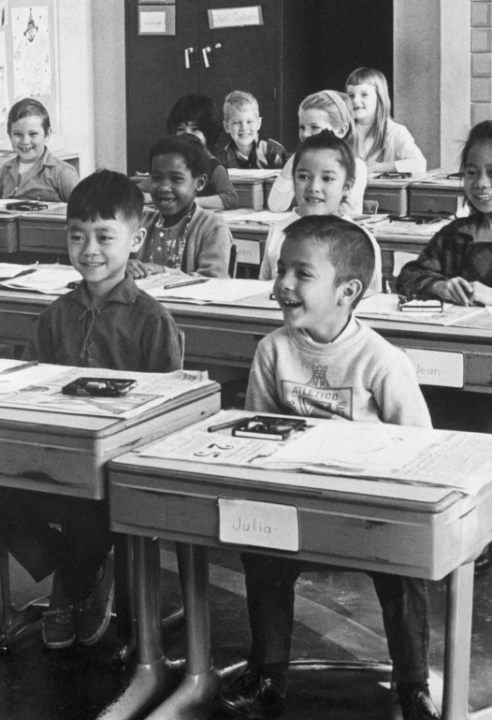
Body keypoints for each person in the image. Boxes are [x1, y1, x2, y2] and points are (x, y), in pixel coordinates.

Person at [215, 215, 437, 720]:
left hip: (367, 508)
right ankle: (268, 673)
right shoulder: (272, 351)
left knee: (403, 566)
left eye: (301, 273)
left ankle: (412, 686)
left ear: (348, 290)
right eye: (280, 270)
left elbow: (421, 449)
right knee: (261, 549)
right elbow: (258, 436)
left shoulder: (382, 361)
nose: (283, 284)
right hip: (298, 502)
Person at [0, 170, 184, 649]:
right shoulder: (55, 315)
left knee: (90, 510)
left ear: (136, 240)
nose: (89, 249)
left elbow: (171, 410)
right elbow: (29, 386)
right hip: (53, 457)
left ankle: (66, 592)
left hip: (115, 469)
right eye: (77, 237)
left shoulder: (152, 320)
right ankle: (83, 575)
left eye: (105, 237)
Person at [395, 120, 492, 576]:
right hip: (453, 366)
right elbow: (408, 277)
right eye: (471, 172)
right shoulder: (455, 234)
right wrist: (441, 285)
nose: (482, 184)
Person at [258, 131, 383, 295]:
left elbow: (373, 301)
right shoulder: (278, 231)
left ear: (346, 187)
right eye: (303, 176)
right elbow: (262, 291)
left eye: (327, 179)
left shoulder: (362, 241)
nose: (314, 187)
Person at [129, 136, 233, 278]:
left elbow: (212, 284)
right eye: (156, 178)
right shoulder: (138, 221)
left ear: (200, 183)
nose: (164, 187)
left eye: (176, 179)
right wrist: (124, 266)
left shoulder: (212, 226)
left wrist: (164, 273)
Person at [267, 90, 368, 213]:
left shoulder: (357, 166)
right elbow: (275, 205)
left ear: (341, 131)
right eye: (302, 127)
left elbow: (342, 211)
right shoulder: (300, 162)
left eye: (315, 127)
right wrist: (296, 158)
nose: (305, 134)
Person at [0, 98, 79, 202]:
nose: (25, 141)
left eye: (33, 134)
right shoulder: (5, 170)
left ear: (47, 134)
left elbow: (81, 214)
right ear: (9, 135)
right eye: (17, 134)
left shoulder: (63, 173)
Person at [346, 67, 426, 175]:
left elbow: (419, 164)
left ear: (379, 98)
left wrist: (376, 167)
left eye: (364, 94)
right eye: (351, 95)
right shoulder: (343, 129)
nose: (355, 100)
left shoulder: (395, 131)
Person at [166, 93, 240, 210]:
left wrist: (188, 201)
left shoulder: (214, 167)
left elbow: (231, 199)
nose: (187, 135)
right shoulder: (170, 165)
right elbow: (140, 190)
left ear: (208, 133)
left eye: (195, 129)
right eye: (181, 129)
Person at [217, 90, 288, 170]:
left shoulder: (274, 151)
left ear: (258, 123)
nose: (244, 127)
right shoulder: (223, 159)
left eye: (249, 121)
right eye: (236, 122)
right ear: (226, 127)